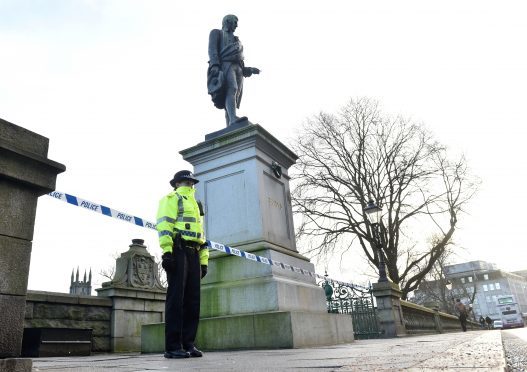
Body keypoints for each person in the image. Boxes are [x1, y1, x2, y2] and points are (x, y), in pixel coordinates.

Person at [156, 170, 209, 359]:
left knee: (193, 302)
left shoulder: (196, 205)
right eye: (186, 181)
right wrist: (167, 252)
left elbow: (202, 235)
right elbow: (164, 226)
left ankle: (188, 344)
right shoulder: (171, 199)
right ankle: (172, 347)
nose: (189, 184)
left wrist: (204, 260)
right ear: (176, 183)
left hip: (194, 252)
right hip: (178, 250)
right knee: (176, 300)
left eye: (191, 182)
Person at [207, 14, 260, 127]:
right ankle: (233, 119)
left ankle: (230, 123)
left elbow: (240, 59)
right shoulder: (216, 33)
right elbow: (212, 50)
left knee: (234, 95)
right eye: (235, 22)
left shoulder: (237, 40)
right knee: (232, 88)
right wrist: (215, 65)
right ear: (228, 21)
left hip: (238, 68)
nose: (236, 25)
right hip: (225, 64)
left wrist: (249, 69)